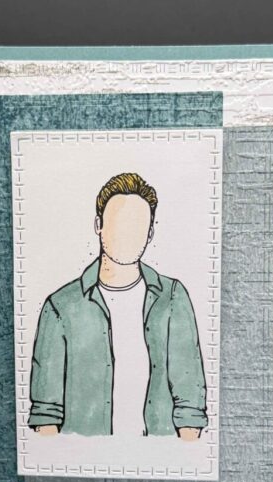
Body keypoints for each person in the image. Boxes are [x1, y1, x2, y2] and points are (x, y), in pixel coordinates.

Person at [27, 172, 208, 440]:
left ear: (150, 233)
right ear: (98, 225)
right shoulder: (60, 307)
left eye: (137, 226)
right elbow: (46, 413)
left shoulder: (172, 297)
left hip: (160, 454)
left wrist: (181, 455)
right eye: (119, 223)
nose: (127, 235)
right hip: (84, 456)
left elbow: (190, 403)